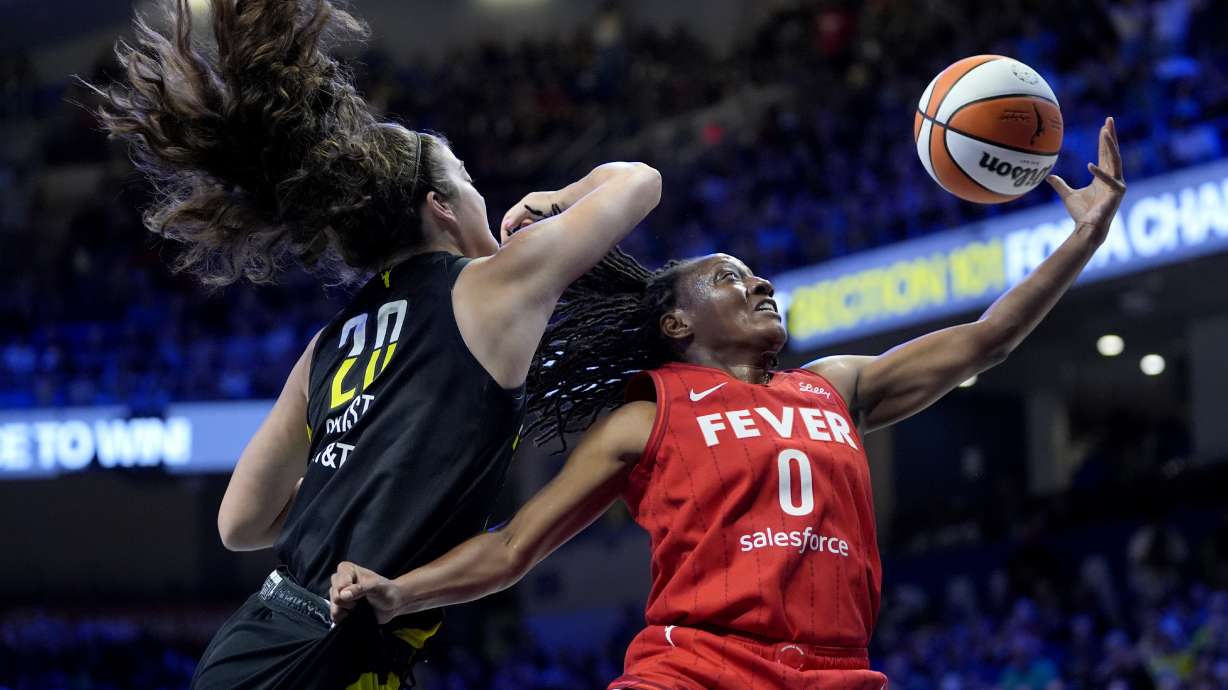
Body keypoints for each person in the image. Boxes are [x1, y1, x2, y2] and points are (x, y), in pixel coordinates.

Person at [329, 118, 1125, 689]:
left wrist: (1084, 238)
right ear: (676, 322)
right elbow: (513, 552)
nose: (759, 283)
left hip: (836, 671)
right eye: (730, 277)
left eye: (757, 276)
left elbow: (988, 339)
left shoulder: (834, 386)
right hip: (694, 668)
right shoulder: (649, 411)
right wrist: (400, 593)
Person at [88, 1, 661, 688]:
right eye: (469, 184)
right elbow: (638, 181)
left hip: (257, 639)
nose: (483, 197)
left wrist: (358, 466)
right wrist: (557, 195)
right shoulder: (490, 289)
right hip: (329, 654)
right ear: (440, 207)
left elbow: (240, 523)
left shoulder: (326, 345)